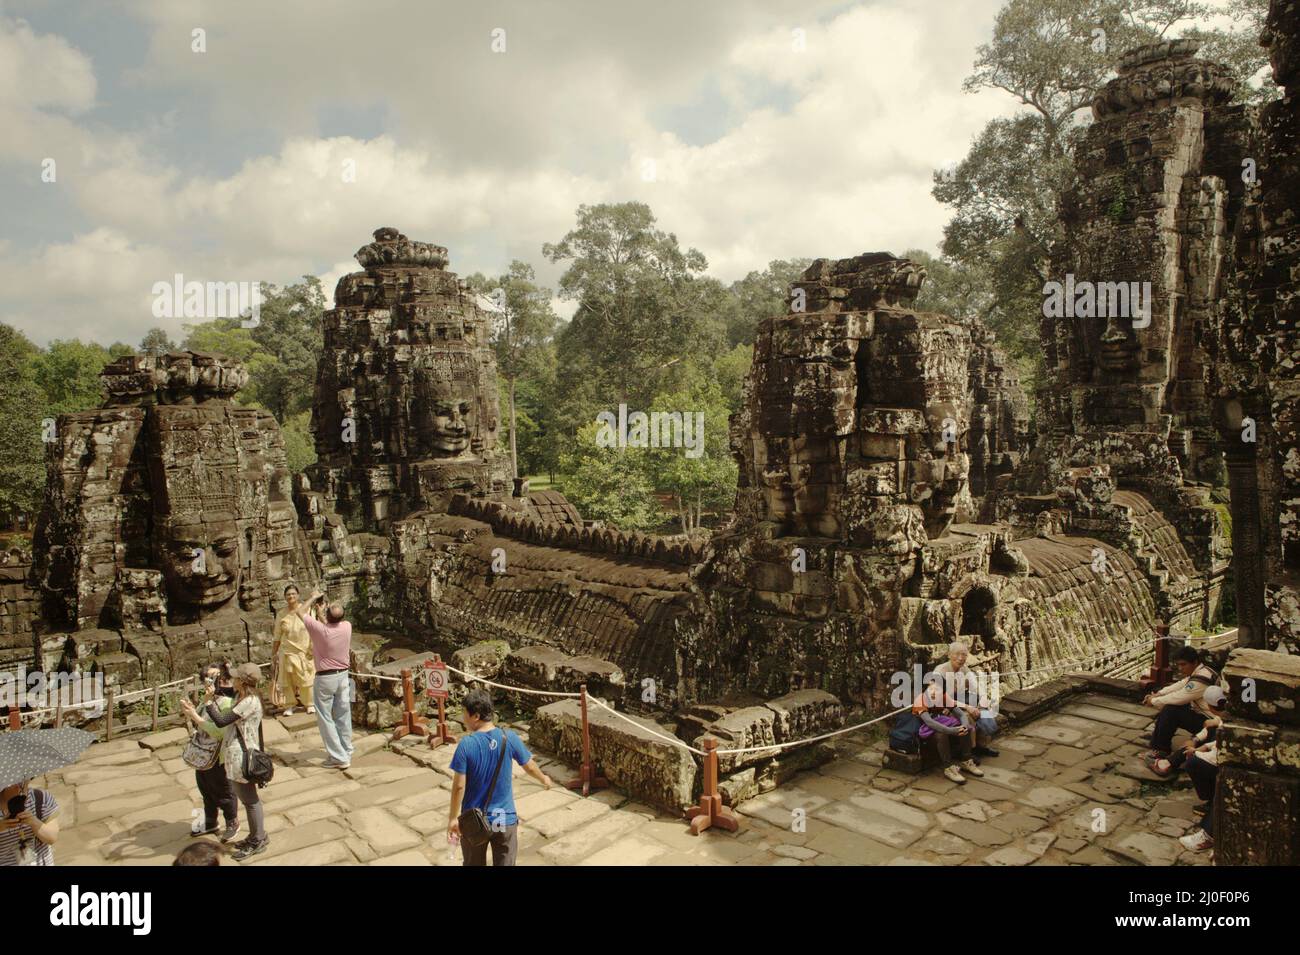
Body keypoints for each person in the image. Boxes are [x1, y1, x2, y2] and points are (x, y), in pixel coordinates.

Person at [447, 689, 553, 866]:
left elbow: (459, 787)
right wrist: (544, 779)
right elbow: (529, 765)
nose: (462, 717)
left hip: (474, 821)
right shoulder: (509, 737)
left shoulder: (466, 744)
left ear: (476, 716)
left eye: (464, 713)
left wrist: (452, 818)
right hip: (503, 818)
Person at [184, 662, 269, 862]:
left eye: (236, 677)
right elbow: (223, 694)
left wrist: (207, 703)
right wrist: (212, 693)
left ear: (243, 681)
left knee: (250, 801)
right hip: (235, 755)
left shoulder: (249, 701)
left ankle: (258, 839)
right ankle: (254, 836)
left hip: (243, 756)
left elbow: (222, 720)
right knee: (246, 799)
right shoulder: (242, 696)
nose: (232, 680)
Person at [293, 589, 353, 769]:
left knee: (326, 718)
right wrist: (323, 613)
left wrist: (312, 597)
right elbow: (330, 624)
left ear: (327, 616)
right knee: (344, 713)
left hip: (325, 679)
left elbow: (300, 612)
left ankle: (339, 757)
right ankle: (347, 748)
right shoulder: (347, 626)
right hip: (344, 676)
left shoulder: (320, 630)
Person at [181, 661, 241, 843]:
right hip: (203, 752)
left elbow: (219, 730)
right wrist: (192, 710)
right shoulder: (208, 699)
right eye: (212, 677)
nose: (218, 680)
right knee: (205, 788)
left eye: (220, 677)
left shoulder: (229, 702)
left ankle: (232, 822)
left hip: (219, 755)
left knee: (223, 790)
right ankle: (210, 821)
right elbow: (199, 718)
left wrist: (195, 716)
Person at [1143, 645, 1220, 769]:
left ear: (1194, 662)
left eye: (1183, 665)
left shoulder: (1201, 679)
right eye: (1178, 665)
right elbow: (1180, 685)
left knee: (1171, 709)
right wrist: (1159, 694)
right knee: (1170, 707)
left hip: (1210, 721)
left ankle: (1161, 748)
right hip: (1202, 715)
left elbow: (1180, 696)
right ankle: (1157, 740)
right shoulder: (1201, 671)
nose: (1180, 668)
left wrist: (1154, 701)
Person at [1176, 686, 1227, 853]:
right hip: (1219, 751)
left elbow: (1217, 755)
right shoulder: (1224, 718)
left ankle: (1208, 835)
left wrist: (1197, 753)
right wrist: (1202, 745)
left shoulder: (1225, 720)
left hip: (1225, 761)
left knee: (1193, 763)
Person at [912, 677, 985, 785]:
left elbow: (960, 714)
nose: (933, 692)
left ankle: (966, 760)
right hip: (923, 733)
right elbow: (929, 723)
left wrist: (964, 726)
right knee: (941, 734)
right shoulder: (920, 700)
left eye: (937, 689)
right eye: (930, 688)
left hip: (940, 724)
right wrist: (951, 730)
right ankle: (948, 767)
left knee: (966, 727)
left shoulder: (944, 697)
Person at [933, 641, 999, 758]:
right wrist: (968, 707)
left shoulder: (964, 669)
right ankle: (970, 751)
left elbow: (976, 686)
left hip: (963, 701)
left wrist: (983, 699)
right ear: (949, 655)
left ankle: (982, 745)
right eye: (957, 654)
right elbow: (941, 698)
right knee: (968, 717)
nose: (960, 658)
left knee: (983, 710)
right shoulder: (940, 670)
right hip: (945, 707)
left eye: (964, 655)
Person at [274, 585, 316, 716]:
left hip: (304, 650)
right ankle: (290, 705)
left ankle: (309, 703)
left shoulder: (307, 609)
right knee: (287, 680)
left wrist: (313, 647)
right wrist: (273, 654)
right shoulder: (281, 614)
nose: (291, 596)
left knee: (306, 678)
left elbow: (313, 629)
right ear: (285, 597)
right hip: (286, 651)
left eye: (293, 594)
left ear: (298, 595)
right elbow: (277, 635)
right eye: (288, 594)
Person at [0, 778, 59, 866]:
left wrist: (34, 822)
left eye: (23, 778)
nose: (18, 784)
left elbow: (52, 837)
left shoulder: (41, 798)